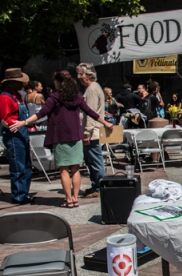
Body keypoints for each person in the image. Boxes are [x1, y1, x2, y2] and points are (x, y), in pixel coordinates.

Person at [11, 72, 112, 207]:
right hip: (76, 136)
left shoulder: (54, 98)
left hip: (60, 137)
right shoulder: (78, 97)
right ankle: (75, 198)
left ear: (58, 82)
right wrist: (106, 123)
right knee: (75, 169)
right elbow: (90, 112)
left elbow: (41, 113)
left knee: (64, 170)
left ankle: (68, 199)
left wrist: (23, 122)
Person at [0, 68, 34, 205]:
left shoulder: (17, 96)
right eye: (20, 82)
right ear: (12, 82)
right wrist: (17, 125)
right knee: (18, 167)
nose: (23, 85)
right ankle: (19, 196)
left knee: (26, 166)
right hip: (13, 135)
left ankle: (24, 193)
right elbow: (5, 119)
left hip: (22, 134)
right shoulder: (5, 97)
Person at [76, 63, 107, 198]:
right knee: (91, 161)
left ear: (89, 75)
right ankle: (96, 185)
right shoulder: (91, 88)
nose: (78, 77)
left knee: (95, 160)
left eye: (81, 74)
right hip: (91, 131)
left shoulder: (92, 89)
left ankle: (100, 187)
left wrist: (87, 132)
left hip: (92, 132)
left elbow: (91, 112)